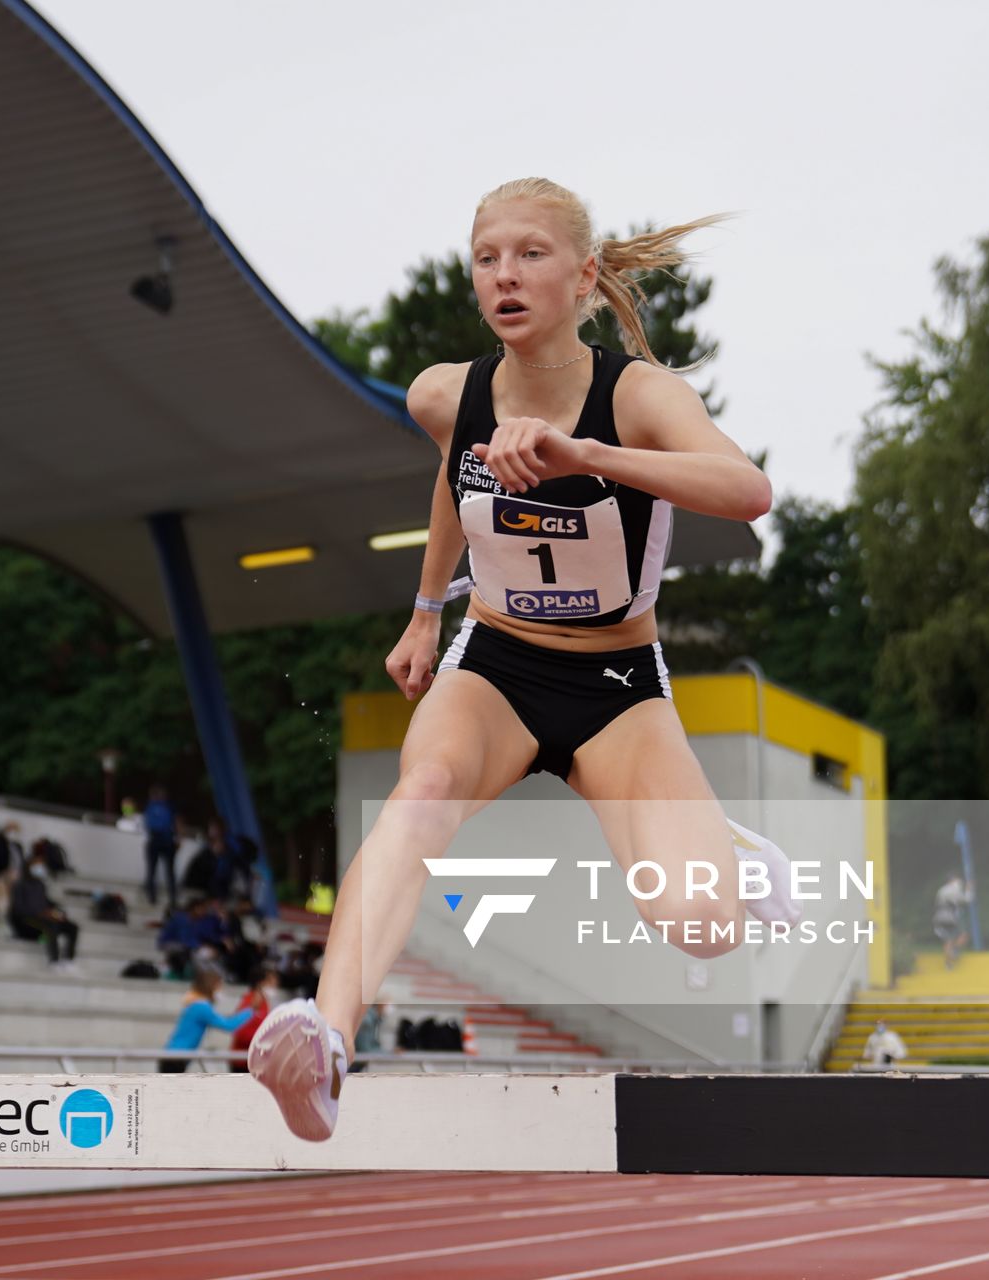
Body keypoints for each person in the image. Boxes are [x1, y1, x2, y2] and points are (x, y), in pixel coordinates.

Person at [250, 178, 800, 1144]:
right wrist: (426, 613)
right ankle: (326, 1040)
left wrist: (590, 456)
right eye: (487, 258)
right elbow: (451, 478)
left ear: (584, 275)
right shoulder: (443, 394)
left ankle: (733, 859)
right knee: (419, 793)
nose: (505, 275)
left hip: (615, 686)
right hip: (497, 661)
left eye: (531, 254)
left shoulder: (639, 394)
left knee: (700, 927)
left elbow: (746, 489)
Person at [159, 968, 253, 1073]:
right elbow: (228, 1025)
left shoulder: (198, 1005)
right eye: (219, 987)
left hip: (176, 1056)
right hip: (175, 1058)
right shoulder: (201, 1007)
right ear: (211, 987)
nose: (221, 991)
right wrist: (251, 1010)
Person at [8, 854, 80, 971]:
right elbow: (18, 909)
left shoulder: (40, 885)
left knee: (72, 927)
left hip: (44, 919)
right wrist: (40, 913)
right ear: (29, 867)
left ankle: (69, 960)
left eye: (41, 865)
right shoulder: (19, 885)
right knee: (51, 926)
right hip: (27, 922)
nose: (40, 868)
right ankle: (54, 961)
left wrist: (57, 912)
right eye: (37, 865)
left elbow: (47, 902)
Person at [227, 966, 280, 1072]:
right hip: (243, 1061)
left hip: (255, 1059)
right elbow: (240, 1031)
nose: (276, 983)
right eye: (271, 980)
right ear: (261, 982)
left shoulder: (265, 1001)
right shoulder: (250, 1000)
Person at [142, 785, 178, 907]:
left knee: (167, 871)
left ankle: (171, 897)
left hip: (164, 840)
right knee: (155, 870)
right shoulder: (153, 807)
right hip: (159, 840)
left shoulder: (166, 807)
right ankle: (153, 896)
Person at [933, 875, 974, 971]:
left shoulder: (941, 890)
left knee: (948, 940)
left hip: (939, 917)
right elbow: (966, 899)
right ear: (951, 881)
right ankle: (952, 953)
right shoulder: (953, 889)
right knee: (958, 937)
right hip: (949, 918)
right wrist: (969, 889)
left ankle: (950, 959)